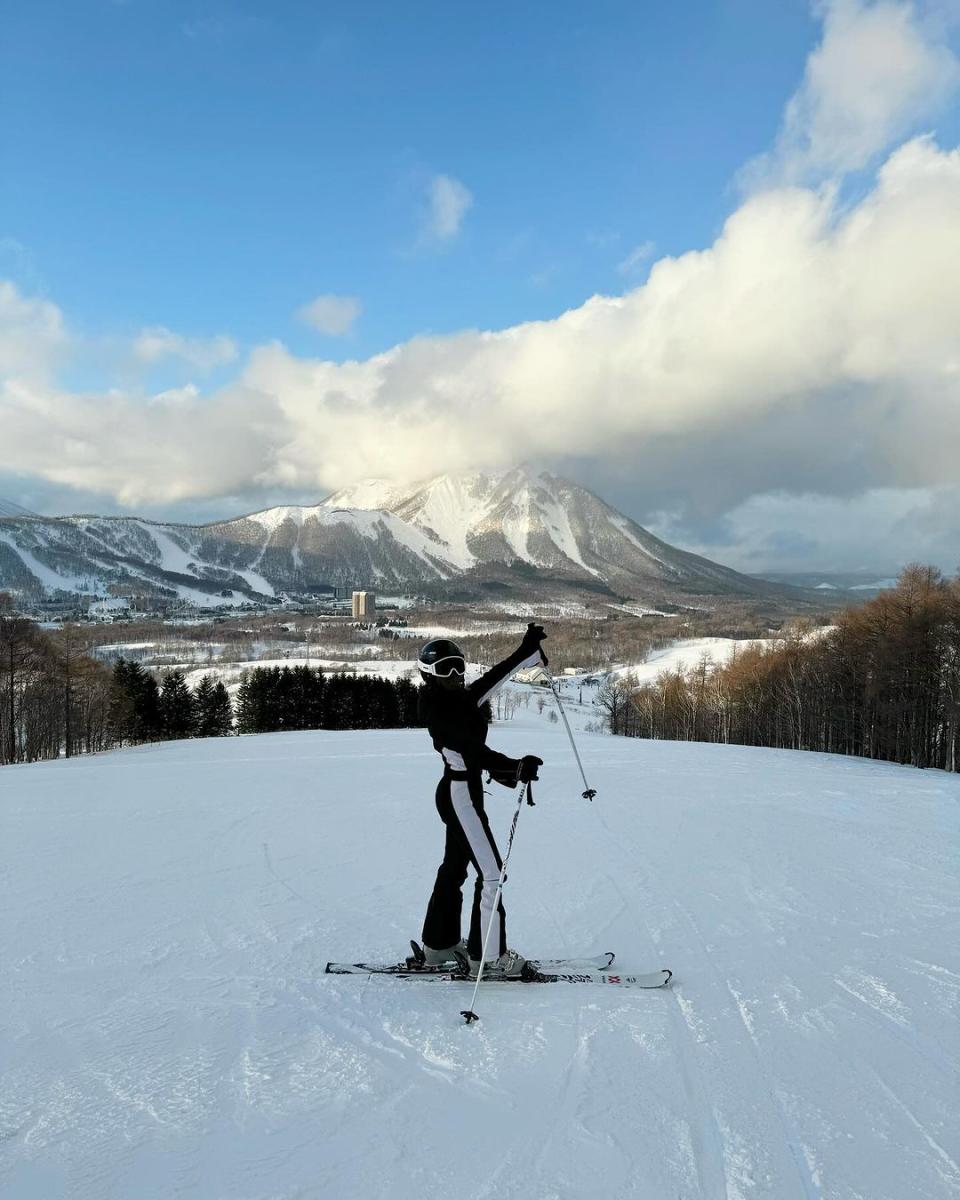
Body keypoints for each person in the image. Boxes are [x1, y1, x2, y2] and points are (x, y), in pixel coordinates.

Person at [417, 623, 547, 979]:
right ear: (430, 675)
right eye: (446, 669)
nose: (456, 674)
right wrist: (514, 768)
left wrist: (525, 652)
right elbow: (473, 751)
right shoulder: (437, 713)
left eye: (459, 665)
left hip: (463, 793)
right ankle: (487, 956)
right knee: (492, 874)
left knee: (455, 868)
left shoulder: (460, 699)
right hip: (460, 796)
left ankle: (439, 944)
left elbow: (494, 679)